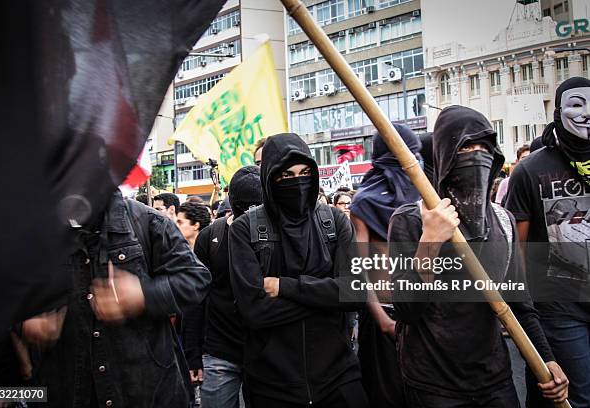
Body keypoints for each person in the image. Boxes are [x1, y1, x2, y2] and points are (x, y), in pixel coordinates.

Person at [389, 105, 568, 407]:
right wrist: (429, 243)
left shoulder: (504, 222)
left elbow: (520, 306)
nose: (476, 155)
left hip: (494, 380)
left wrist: (546, 359)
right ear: (445, 156)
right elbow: (406, 310)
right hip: (433, 383)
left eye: (483, 147)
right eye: (465, 148)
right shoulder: (411, 220)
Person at [26, 189, 211, 407]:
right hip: (68, 389)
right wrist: (27, 322)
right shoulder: (39, 235)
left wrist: (143, 294)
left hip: (144, 390)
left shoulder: (147, 220)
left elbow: (196, 278)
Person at [229, 133, 368, 408]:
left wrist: (285, 286)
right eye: (287, 175)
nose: (298, 182)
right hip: (272, 384)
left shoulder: (335, 221)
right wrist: (328, 295)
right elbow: (254, 311)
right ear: (270, 178)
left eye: (305, 172)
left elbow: (356, 293)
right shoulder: (246, 229)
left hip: (337, 378)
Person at [506, 77, 590, 407]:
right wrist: (530, 321)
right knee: (575, 398)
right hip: (559, 310)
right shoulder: (529, 170)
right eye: (577, 104)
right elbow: (519, 253)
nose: (586, 113)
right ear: (558, 111)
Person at [349, 125, 421, 408]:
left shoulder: (427, 195)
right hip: (385, 318)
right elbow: (359, 268)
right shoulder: (364, 202)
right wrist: (381, 319)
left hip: (427, 317)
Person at [185, 166, 263, 408]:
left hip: (266, 352)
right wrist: (192, 354)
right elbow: (196, 298)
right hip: (219, 352)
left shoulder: (276, 234)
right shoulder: (210, 237)